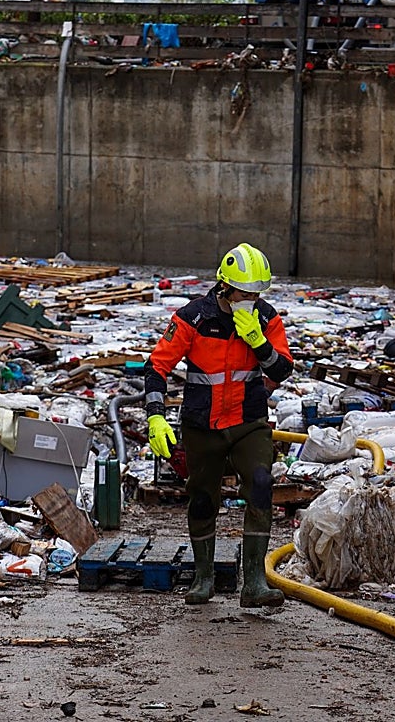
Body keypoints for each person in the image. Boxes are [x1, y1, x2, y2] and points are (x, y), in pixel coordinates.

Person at [145, 243, 294, 608]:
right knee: (202, 497)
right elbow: (157, 367)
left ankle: (255, 582)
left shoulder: (265, 318)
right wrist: (155, 415)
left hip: (248, 420)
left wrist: (258, 342)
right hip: (203, 425)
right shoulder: (193, 318)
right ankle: (203, 576)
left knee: (261, 483)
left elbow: (282, 370)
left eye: (257, 294)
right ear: (225, 286)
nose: (251, 300)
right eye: (245, 293)